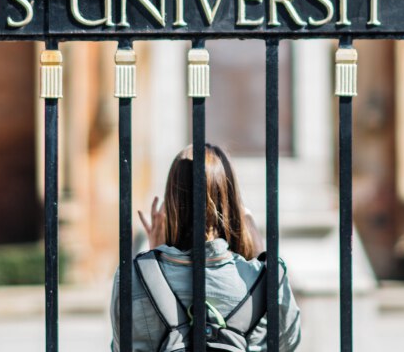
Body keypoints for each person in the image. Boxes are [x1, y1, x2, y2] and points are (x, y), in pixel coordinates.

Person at [110, 143, 301, 351]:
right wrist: (262, 258)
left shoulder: (132, 277)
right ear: (231, 202)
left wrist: (153, 259)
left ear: (172, 202)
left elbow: (122, 347)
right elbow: (287, 344)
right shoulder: (264, 279)